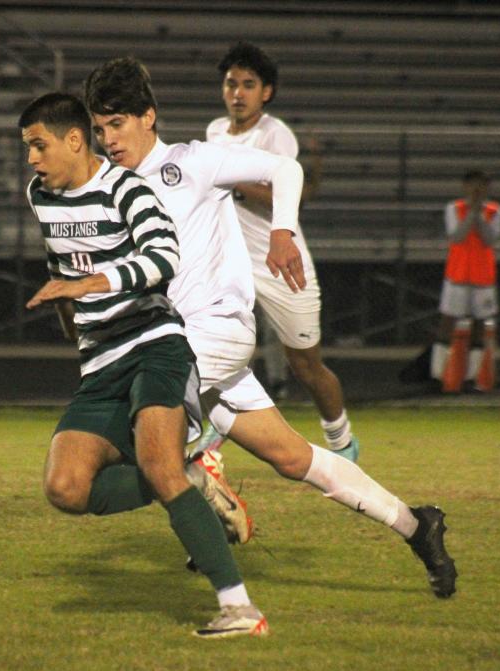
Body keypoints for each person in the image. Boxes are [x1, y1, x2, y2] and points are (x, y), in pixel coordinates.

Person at [81, 57, 457, 601]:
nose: (108, 138)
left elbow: (286, 171)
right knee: (293, 458)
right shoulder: (111, 187)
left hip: (218, 331)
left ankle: (196, 479)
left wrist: (282, 233)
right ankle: (418, 526)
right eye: (99, 128)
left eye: (116, 124)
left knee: (133, 440)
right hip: (182, 343)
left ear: (148, 117)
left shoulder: (194, 161)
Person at [19, 92, 267, 639]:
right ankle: (190, 477)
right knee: (66, 488)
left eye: (38, 145)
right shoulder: (41, 195)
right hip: (101, 362)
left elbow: (162, 258)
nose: (32, 159)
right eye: (27, 149)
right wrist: (72, 310)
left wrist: (89, 285)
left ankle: (239, 608)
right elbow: (64, 261)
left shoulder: (128, 189)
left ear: (73, 140)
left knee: (158, 463)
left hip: (155, 344)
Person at [202, 41, 358, 459]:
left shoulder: (275, 135)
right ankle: (215, 433)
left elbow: (280, 194)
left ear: (265, 92)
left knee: (306, 364)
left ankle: (341, 440)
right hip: (231, 266)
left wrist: (226, 175)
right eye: (231, 83)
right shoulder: (215, 132)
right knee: (218, 352)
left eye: (248, 84)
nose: (237, 92)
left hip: (281, 263)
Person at [431, 170, 500, 392]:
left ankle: (472, 378)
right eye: (473, 185)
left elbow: (490, 238)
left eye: (481, 186)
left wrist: (478, 215)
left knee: (480, 327)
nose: (476, 190)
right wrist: (471, 213)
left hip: (482, 277)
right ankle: (437, 376)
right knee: (447, 324)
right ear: (465, 187)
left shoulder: (495, 211)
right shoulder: (454, 209)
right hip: (458, 275)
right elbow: (457, 235)